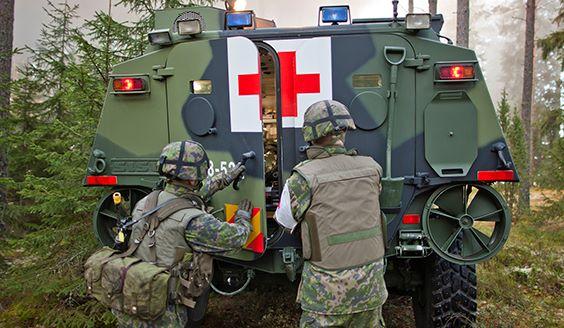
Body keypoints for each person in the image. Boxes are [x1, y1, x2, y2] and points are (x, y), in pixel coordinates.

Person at [112, 140, 253, 327]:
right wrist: (243, 218)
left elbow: (189, 196)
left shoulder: (146, 203)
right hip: (163, 313)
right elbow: (237, 238)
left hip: (133, 298)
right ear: (194, 178)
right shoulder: (194, 221)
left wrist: (225, 178)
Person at [275, 100, 388, 327]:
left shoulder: (303, 178)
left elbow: (284, 220)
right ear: (344, 131)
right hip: (371, 288)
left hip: (327, 296)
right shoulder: (372, 168)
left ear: (310, 135)